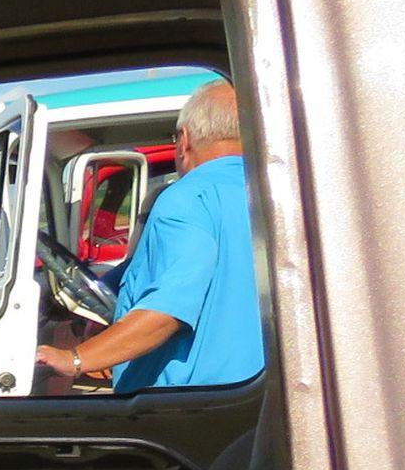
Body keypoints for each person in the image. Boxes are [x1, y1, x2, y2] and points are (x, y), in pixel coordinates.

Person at [35, 78, 263, 393]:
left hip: (188, 399)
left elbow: (168, 310)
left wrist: (75, 358)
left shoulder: (187, 198)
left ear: (184, 140)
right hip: (257, 389)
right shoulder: (276, 192)